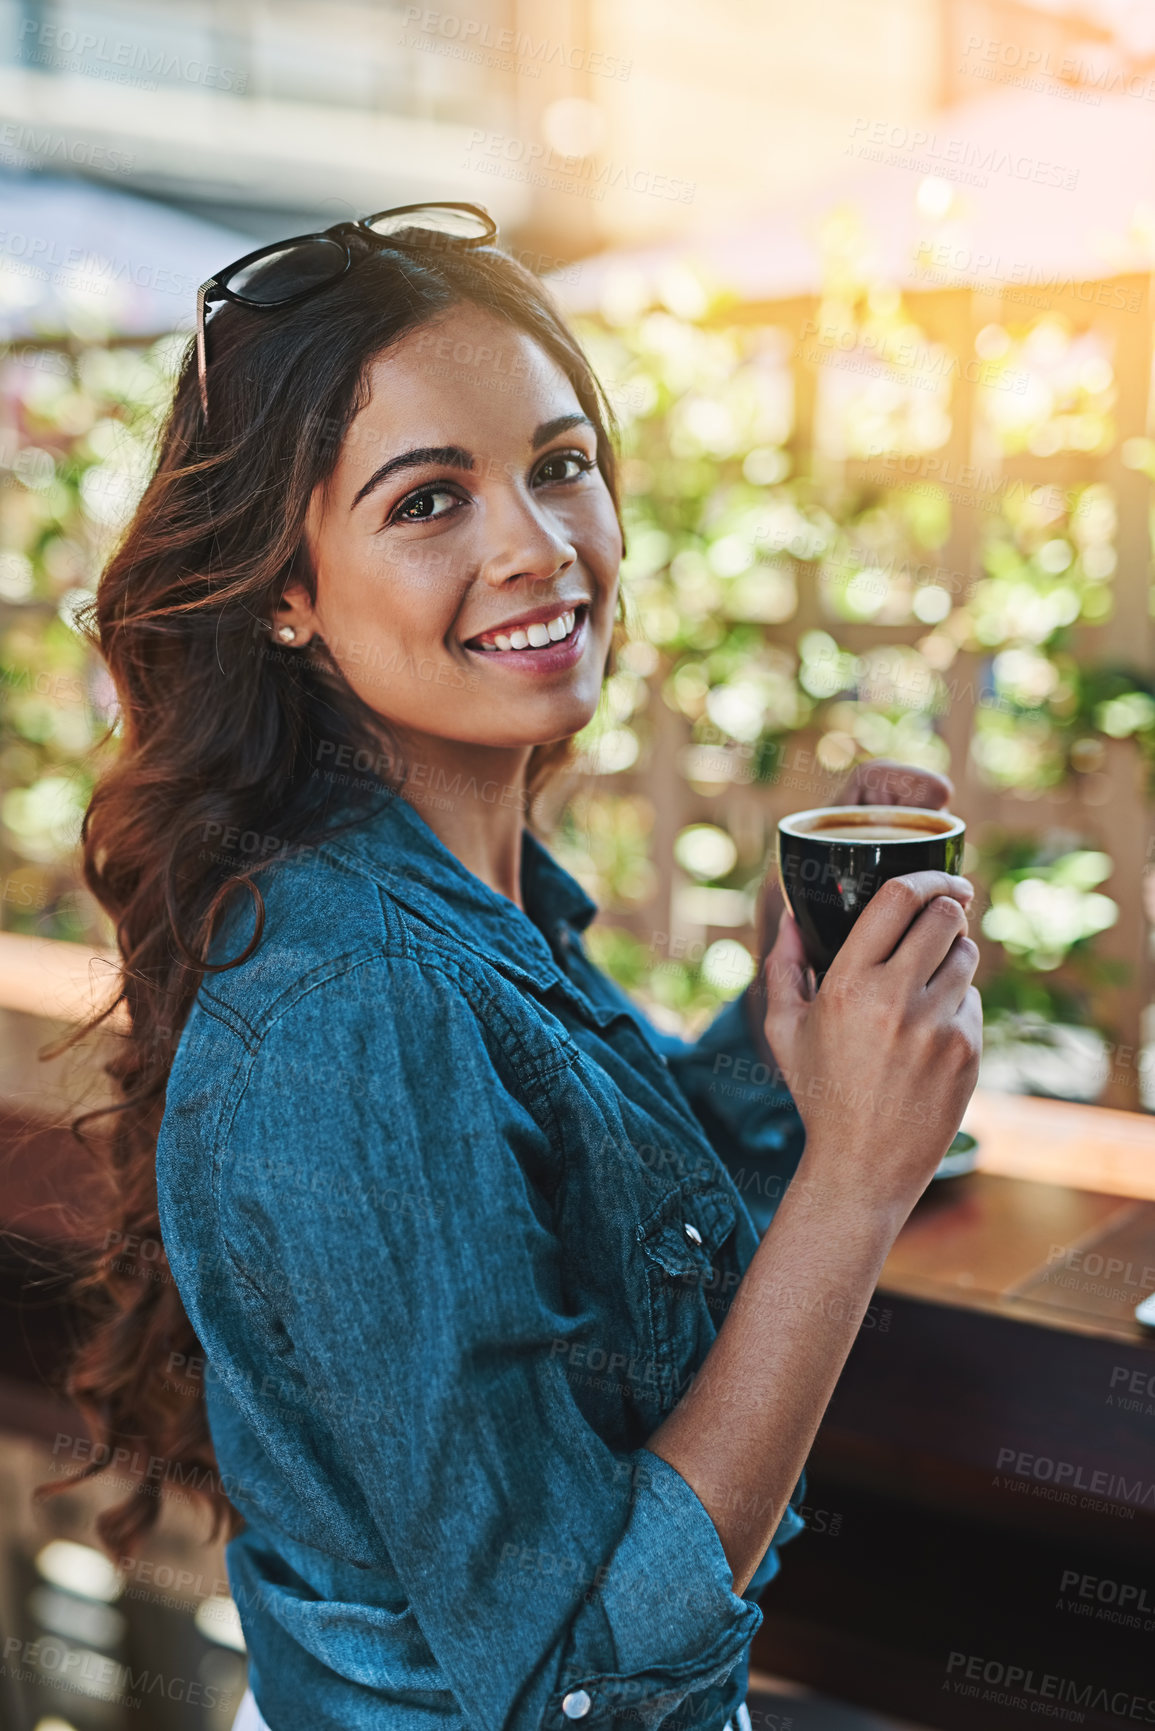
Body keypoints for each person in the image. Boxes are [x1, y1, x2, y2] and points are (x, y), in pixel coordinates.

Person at [58, 204, 981, 1731]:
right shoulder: (361, 1012)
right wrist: (857, 1188)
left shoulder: (464, 918)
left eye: (560, 466)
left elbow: (624, 1241)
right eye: (430, 501)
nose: (538, 546)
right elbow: (571, 1686)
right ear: (286, 588)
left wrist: (798, 1013)